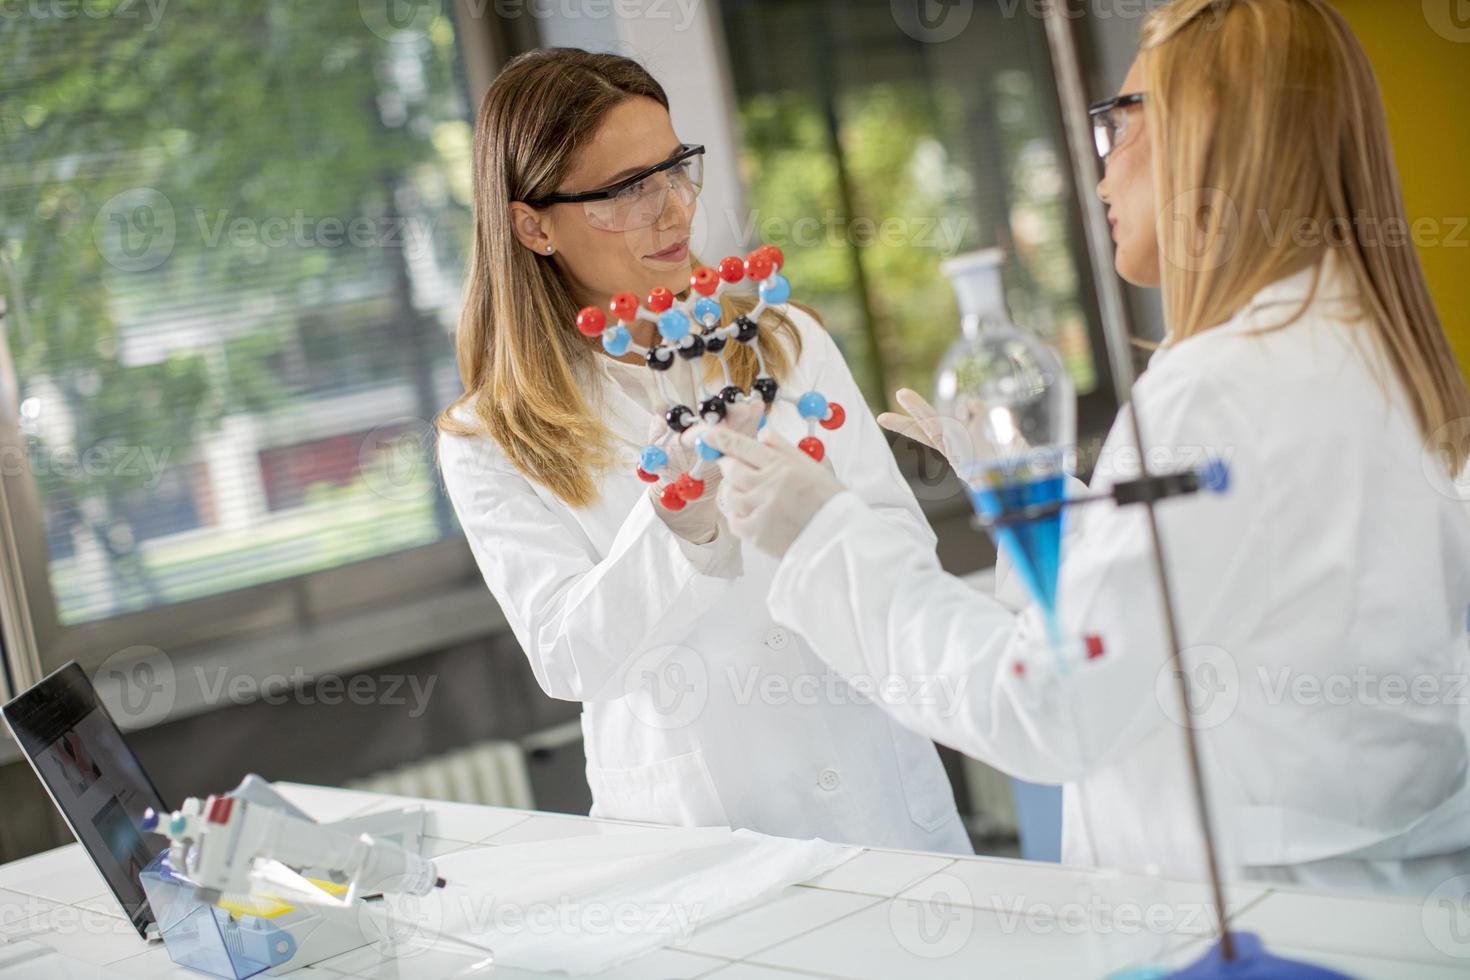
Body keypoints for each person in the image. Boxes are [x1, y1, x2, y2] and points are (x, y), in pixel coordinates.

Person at [704, 0, 1470, 894]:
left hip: (1272, 913)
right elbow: (1233, 597)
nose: (1101, 177)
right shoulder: (1368, 349)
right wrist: (1050, 507)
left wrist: (828, 541)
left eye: (1120, 124)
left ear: (1209, 132)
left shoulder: (1219, 387)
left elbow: (1052, 704)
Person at [435, 48, 970, 853]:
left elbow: (903, 543)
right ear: (532, 224)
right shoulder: (490, 435)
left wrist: (816, 530)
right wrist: (673, 534)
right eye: (625, 190)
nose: (673, 209)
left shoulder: (783, 343)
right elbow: (564, 659)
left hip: (878, 795)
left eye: (677, 169)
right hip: (699, 830)